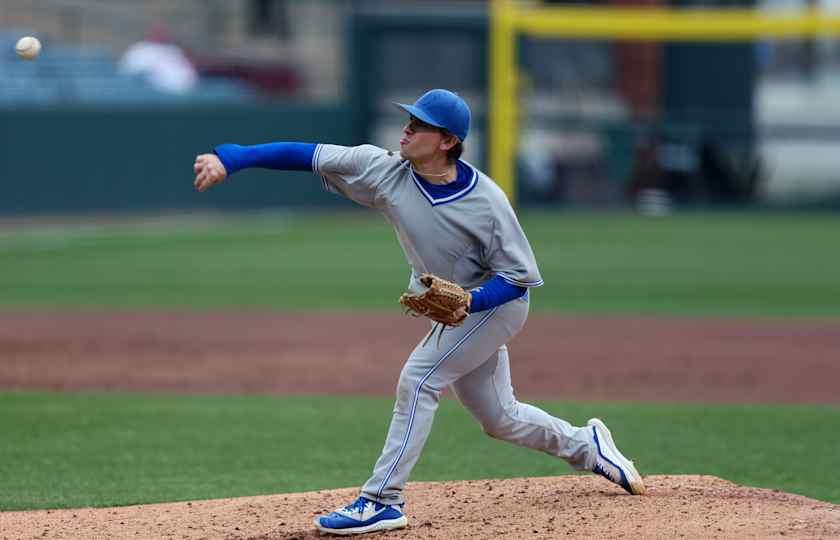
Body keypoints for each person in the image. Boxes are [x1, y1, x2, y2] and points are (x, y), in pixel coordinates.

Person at [193, 89, 645, 536]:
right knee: (500, 418)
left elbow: (519, 279)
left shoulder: (486, 201)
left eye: (420, 124)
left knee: (420, 379)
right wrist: (231, 159)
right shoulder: (385, 168)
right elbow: (306, 154)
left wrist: (472, 302)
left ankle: (382, 500)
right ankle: (587, 446)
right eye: (409, 119)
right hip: (453, 312)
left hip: (496, 305)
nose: (407, 128)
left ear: (447, 141)